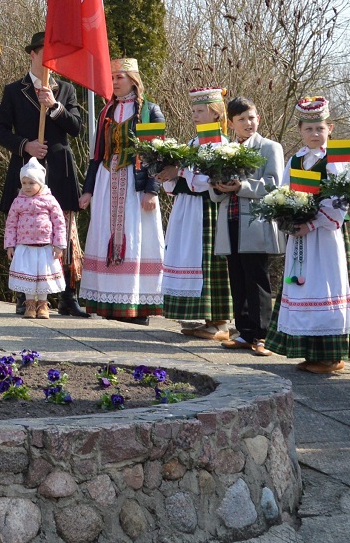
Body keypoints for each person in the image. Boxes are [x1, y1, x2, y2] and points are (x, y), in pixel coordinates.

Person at [0, 31, 88, 317]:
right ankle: (24, 295)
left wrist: (55, 107)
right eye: (44, 54)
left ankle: (67, 296)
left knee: (62, 232)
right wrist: (26, 145)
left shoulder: (66, 90)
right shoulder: (14, 90)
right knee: (25, 233)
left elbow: (77, 128)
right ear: (32, 55)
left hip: (58, 168)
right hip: (25, 171)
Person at [268, 96, 350, 374]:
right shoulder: (295, 159)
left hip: (325, 236)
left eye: (319, 128)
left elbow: (341, 198)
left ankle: (332, 356)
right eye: (308, 129)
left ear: (329, 128)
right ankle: (309, 351)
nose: (315, 134)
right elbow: (283, 191)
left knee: (325, 286)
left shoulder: (335, 159)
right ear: (300, 130)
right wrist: (287, 217)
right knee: (302, 286)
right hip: (300, 237)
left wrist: (313, 223)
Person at [77, 58, 166, 323]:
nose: (115, 82)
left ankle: (137, 306)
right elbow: (96, 155)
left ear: (133, 80)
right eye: (112, 78)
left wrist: (152, 189)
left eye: (120, 77)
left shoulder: (150, 110)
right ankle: (107, 303)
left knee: (137, 237)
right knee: (104, 233)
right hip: (107, 181)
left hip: (136, 184)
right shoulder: (106, 111)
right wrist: (88, 190)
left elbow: (157, 154)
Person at [211, 96, 285, 356]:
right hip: (230, 221)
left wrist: (241, 187)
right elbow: (216, 195)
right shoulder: (225, 149)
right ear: (231, 124)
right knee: (237, 279)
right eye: (241, 119)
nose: (248, 123)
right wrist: (217, 187)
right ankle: (244, 333)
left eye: (251, 117)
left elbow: (274, 184)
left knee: (257, 278)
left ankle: (262, 335)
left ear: (258, 119)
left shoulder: (269, 147)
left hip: (256, 222)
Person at [162, 87, 234, 341]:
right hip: (187, 209)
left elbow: (214, 181)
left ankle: (220, 322)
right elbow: (181, 180)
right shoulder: (192, 144)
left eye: (200, 110)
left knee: (211, 261)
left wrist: (181, 173)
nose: (195, 115)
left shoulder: (222, 145)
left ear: (216, 113)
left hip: (209, 210)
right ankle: (206, 318)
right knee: (191, 259)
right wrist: (166, 174)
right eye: (193, 110)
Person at [5, 159, 69, 318]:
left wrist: (59, 244)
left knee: (43, 277)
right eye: (24, 183)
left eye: (31, 183)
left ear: (40, 183)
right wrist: (10, 245)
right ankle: (30, 305)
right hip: (25, 247)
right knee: (28, 277)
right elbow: (11, 223)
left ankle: (42, 305)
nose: (26, 187)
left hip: (45, 247)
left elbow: (59, 223)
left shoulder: (50, 200)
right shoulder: (18, 201)